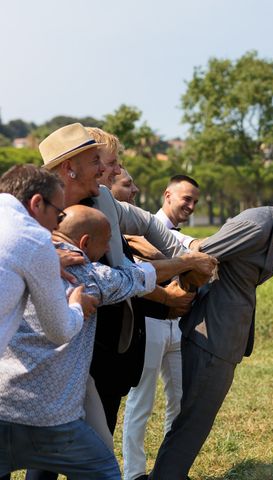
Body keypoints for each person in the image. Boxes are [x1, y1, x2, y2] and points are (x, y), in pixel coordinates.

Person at [149, 171, 273, 478]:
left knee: (195, 423)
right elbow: (200, 257)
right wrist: (181, 299)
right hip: (212, 336)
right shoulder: (258, 223)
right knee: (192, 424)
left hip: (224, 339)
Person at [39, 123, 214, 433]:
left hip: (108, 342)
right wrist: (174, 281)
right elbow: (114, 279)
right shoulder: (35, 218)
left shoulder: (104, 199)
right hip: (56, 353)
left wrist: (188, 247)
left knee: (95, 428)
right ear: (70, 168)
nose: (114, 171)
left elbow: (146, 223)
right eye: (101, 162)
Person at [0, 205, 157, 478]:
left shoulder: (13, 264)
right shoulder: (89, 275)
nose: (109, 248)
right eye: (106, 242)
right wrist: (186, 262)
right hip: (53, 417)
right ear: (84, 243)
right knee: (104, 470)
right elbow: (137, 277)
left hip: (3, 406)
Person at [122, 175, 200, 480]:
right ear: (168, 194)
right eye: (186, 199)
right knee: (141, 401)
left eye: (195, 201)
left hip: (178, 326)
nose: (191, 206)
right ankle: (134, 473)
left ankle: (170, 469)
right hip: (149, 323)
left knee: (180, 401)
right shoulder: (139, 227)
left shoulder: (181, 236)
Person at [0, 165, 95, 355]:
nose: (56, 226)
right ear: (37, 203)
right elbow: (60, 330)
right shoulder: (34, 239)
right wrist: (77, 306)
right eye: (58, 215)